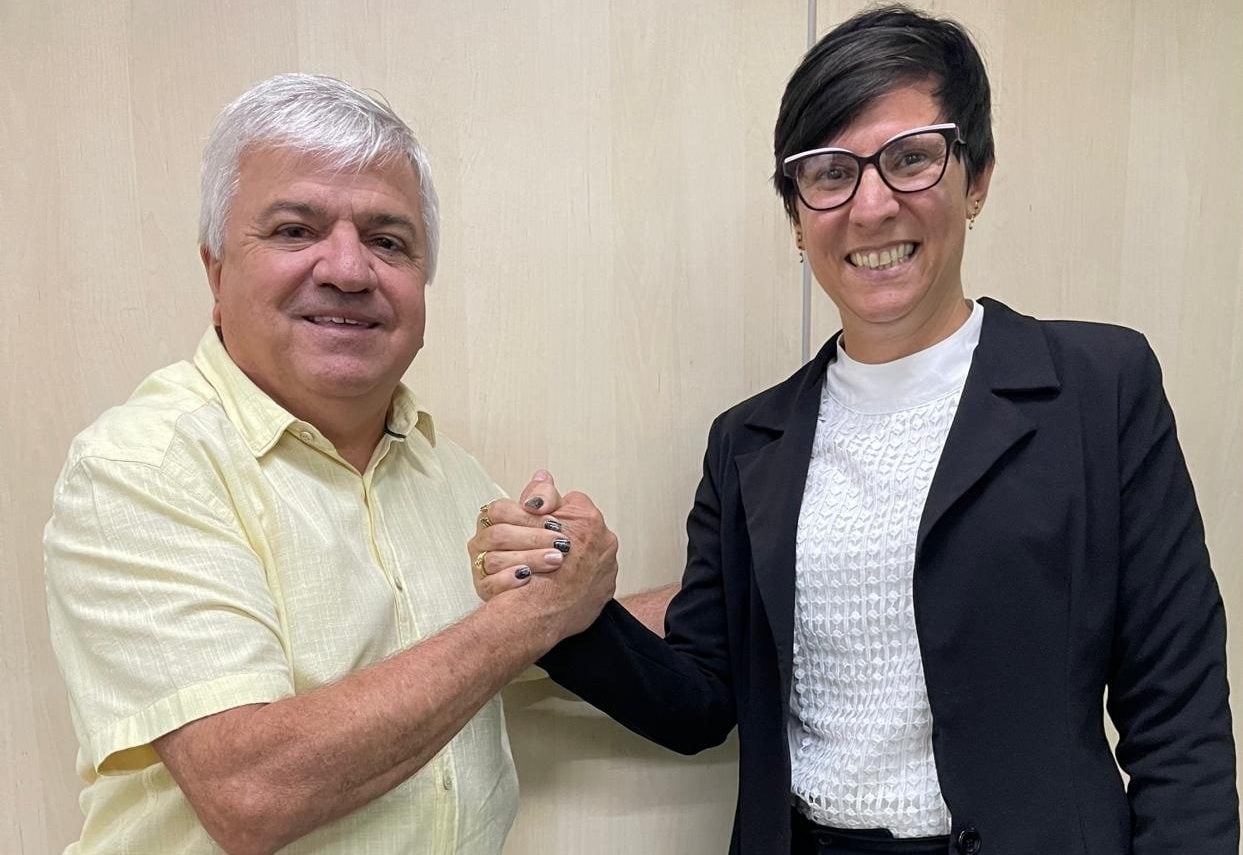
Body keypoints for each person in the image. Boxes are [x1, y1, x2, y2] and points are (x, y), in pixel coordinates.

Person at [470, 6, 1238, 854]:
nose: (871, 205)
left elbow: (1177, 713)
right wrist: (561, 608)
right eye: (829, 173)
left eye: (911, 159)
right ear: (797, 217)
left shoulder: (1098, 386)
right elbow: (700, 698)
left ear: (975, 176)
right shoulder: (747, 443)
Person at [42, 73, 641, 854]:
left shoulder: (446, 471)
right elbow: (252, 790)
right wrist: (533, 611)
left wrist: (605, 577)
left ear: (421, 282)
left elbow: (524, 637)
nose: (349, 271)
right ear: (216, 272)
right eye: (295, 230)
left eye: (388, 241)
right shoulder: (140, 465)